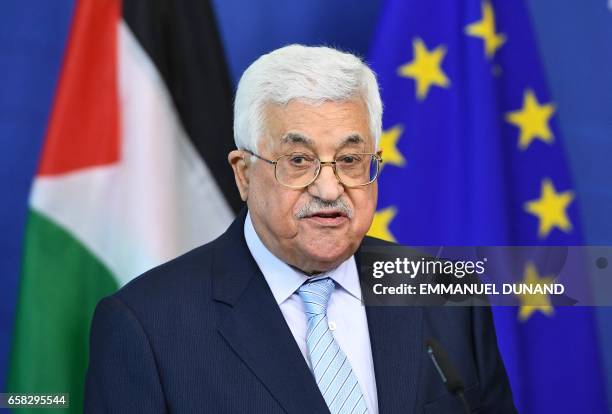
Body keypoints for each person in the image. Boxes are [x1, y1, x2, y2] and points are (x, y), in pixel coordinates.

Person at [85, 44, 516, 413]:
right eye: (298, 161)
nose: (329, 189)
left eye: (349, 160)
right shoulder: (147, 326)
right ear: (244, 174)